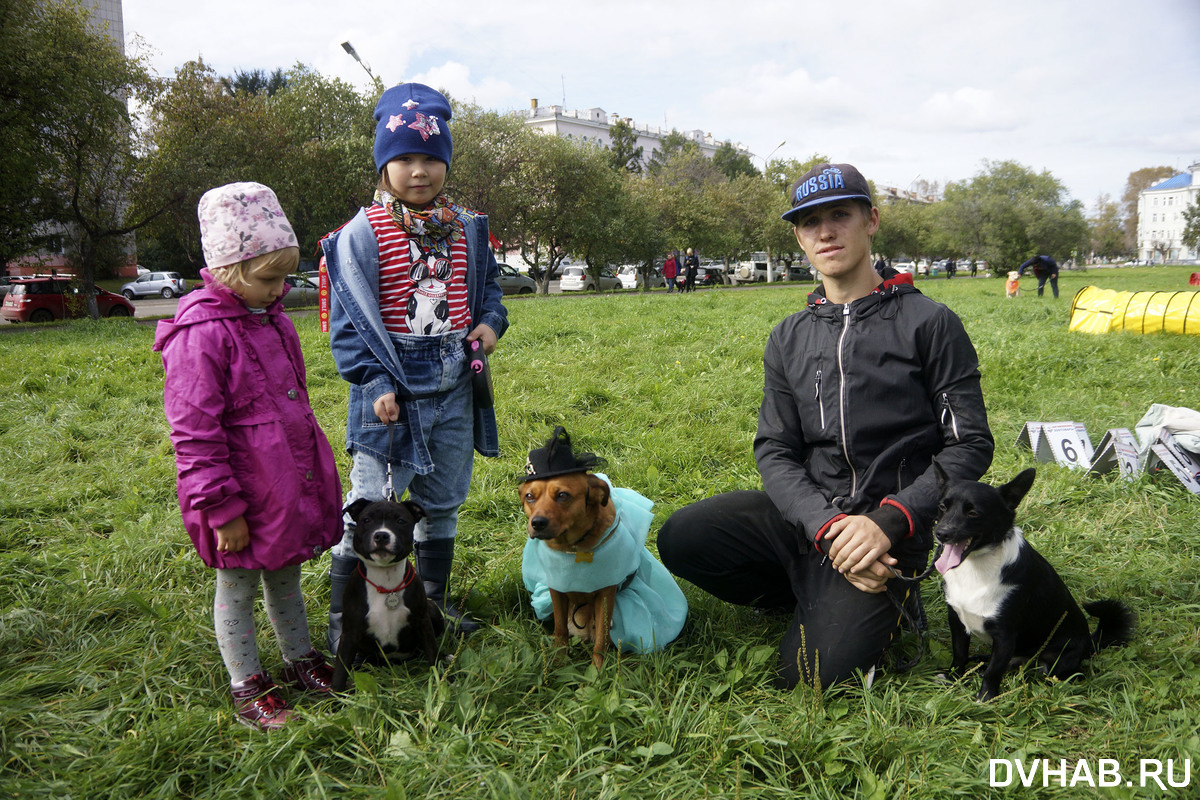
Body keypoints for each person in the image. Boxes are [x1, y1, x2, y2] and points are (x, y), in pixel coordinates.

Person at [657, 163, 994, 691]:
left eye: (841, 215)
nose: (826, 232)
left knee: (811, 678)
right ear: (798, 236)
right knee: (683, 536)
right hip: (811, 523)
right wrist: (825, 527)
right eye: (810, 222)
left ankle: (886, 597)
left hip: (888, 536)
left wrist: (889, 520)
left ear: (871, 221)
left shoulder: (929, 322)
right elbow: (774, 447)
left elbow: (969, 443)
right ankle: (810, 588)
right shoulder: (788, 335)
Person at [320, 83, 509, 650]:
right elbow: (348, 324)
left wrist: (490, 325)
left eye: (431, 158)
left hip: (453, 384)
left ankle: (426, 608)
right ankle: (345, 623)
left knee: (441, 499)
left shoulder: (470, 228)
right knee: (373, 501)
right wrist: (375, 380)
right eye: (403, 158)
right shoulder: (362, 235)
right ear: (383, 164)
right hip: (391, 394)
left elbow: (491, 293)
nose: (419, 170)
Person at [154, 182, 344, 730]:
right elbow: (194, 433)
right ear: (229, 269)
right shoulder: (202, 334)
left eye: (285, 276)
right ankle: (246, 683)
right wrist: (221, 509)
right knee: (236, 584)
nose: (279, 289)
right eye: (268, 279)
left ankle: (298, 657)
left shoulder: (272, 318)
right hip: (237, 494)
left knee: (285, 573)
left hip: (280, 482)